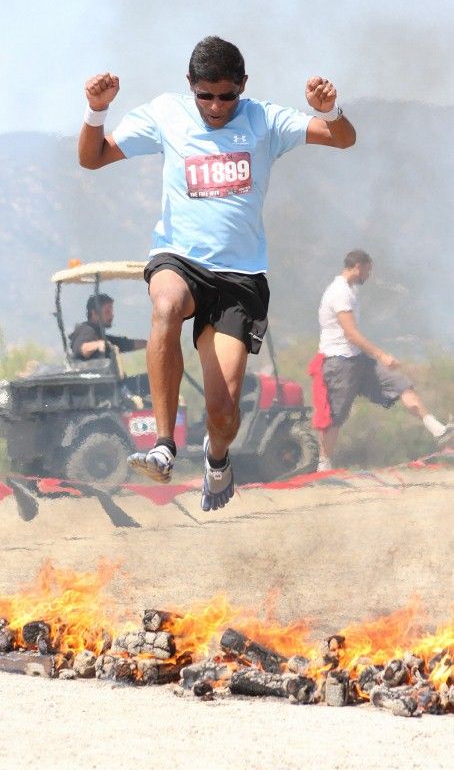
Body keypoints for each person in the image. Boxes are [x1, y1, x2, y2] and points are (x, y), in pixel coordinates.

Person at [78, 35, 356, 511]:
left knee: (222, 409)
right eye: (205, 95)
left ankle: (217, 456)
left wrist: (330, 111)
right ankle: (163, 444)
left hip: (239, 280)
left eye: (226, 95)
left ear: (242, 86)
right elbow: (93, 156)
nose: (215, 105)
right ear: (191, 86)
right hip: (179, 259)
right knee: (165, 304)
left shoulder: (265, 119)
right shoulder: (167, 114)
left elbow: (343, 139)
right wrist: (96, 111)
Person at [310, 249, 453, 471]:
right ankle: (324, 464)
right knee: (336, 415)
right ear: (358, 266)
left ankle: (438, 430)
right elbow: (351, 333)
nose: (369, 275)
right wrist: (381, 355)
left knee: (400, 383)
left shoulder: (351, 290)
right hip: (339, 362)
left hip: (358, 360)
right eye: (368, 270)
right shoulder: (339, 292)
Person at [69, 293, 147, 360]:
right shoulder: (87, 330)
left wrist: (150, 344)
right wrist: (98, 345)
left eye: (111, 312)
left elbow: (125, 343)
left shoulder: (99, 335)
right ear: (95, 313)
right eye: (107, 312)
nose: (111, 315)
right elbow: (82, 348)